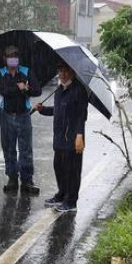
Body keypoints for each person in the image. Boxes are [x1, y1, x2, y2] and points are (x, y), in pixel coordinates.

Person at [34, 61, 88, 214]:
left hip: (72, 138)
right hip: (59, 138)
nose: (62, 74)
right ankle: (61, 195)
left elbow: (81, 116)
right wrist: (43, 109)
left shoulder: (79, 90)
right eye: (60, 70)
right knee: (59, 168)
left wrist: (79, 136)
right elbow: (57, 111)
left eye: (66, 70)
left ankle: (71, 202)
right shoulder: (59, 90)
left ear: (72, 72)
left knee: (72, 171)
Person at [0, 44, 42, 195]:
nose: (13, 58)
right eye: (10, 55)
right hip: (6, 116)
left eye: (15, 55)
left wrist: (26, 89)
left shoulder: (26, 71)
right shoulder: (0, 73)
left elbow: (37, 90)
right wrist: (20, 88)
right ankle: (12, 179)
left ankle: (27, 180)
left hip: (24, 116)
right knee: (9, 149)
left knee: (26, 150)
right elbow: (3, 90)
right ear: (5, 58)